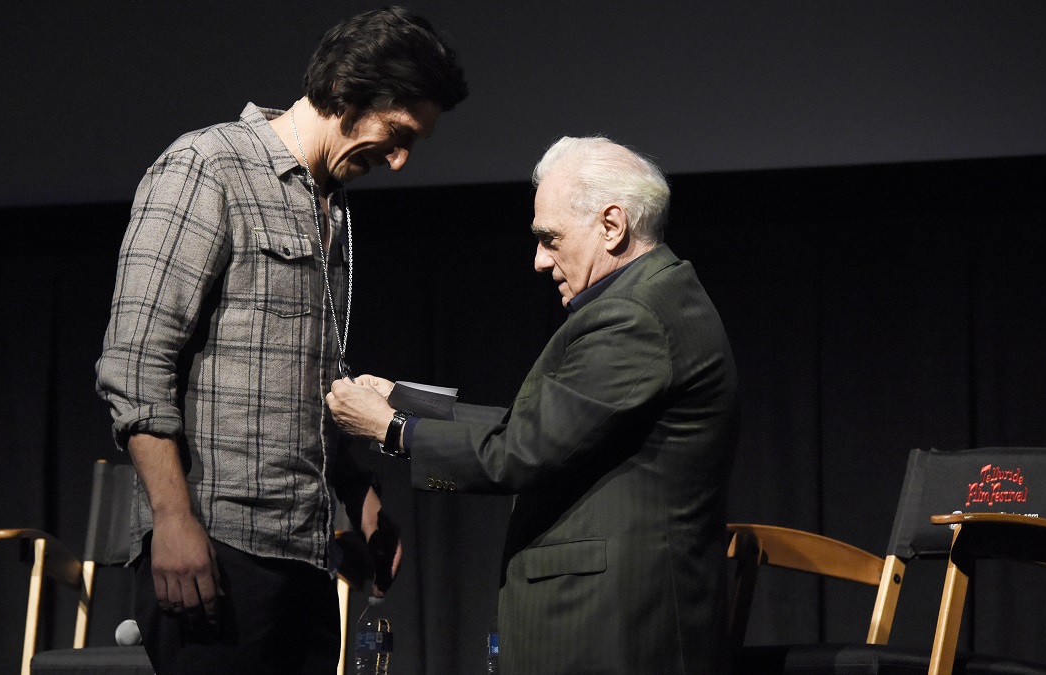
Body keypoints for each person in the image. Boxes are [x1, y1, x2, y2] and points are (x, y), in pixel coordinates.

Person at [94, 8, 467, 674]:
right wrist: (174, 522)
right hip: (215, 549)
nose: (402, 160)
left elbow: (304, 376)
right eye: (399, 133)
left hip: (305, 554)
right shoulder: (208, 168)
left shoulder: (331, 208)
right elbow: (135, 362)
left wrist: (356, 492)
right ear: (351, 96)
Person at [327, 136, 739, 674]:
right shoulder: (656, 297)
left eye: (550, 238)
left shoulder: (635, 317)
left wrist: (394, 429)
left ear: (612, 227)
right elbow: (552, 427)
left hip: (614, 626)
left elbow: (520, 452)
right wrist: (406, 403)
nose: (540, 260)